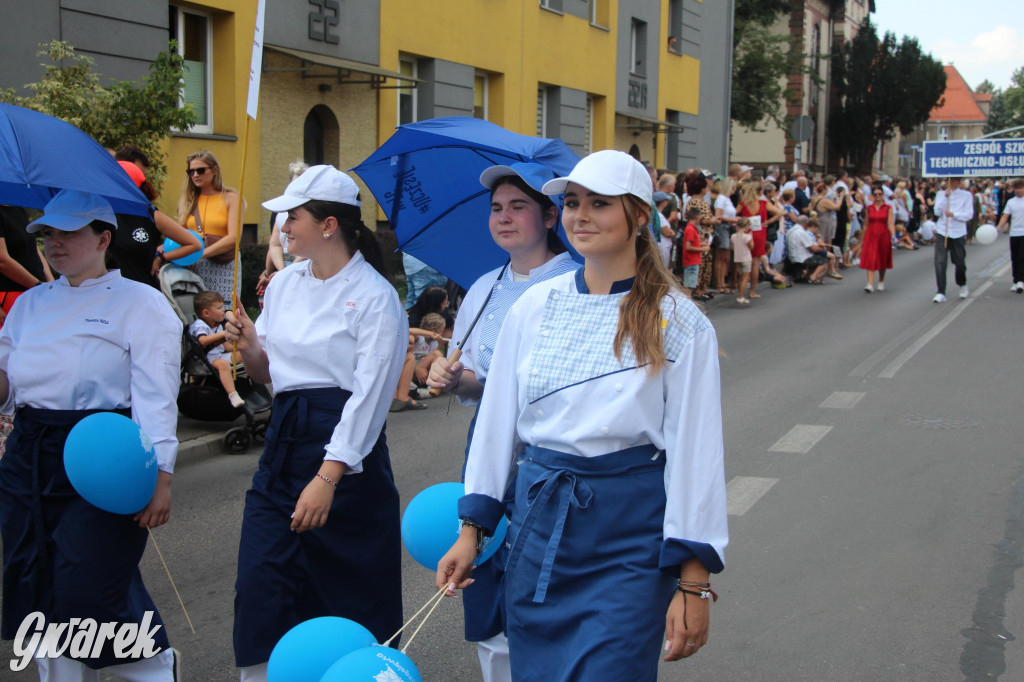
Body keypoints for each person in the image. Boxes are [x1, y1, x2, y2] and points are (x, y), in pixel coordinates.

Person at [436, 150, 727, 682]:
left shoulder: (679, 320)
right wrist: (471, 528)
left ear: (639, 215)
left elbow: (695, 455)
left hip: (628, 543)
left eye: (599, 203)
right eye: (571, 203)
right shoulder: (534, 307)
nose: (580, 216)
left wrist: (694, 580)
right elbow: (498, 427)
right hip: (538, 531)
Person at [224, 166, 408, 682]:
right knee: (261, 585)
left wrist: (328, 476)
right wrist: (251, 346)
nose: (283, 225)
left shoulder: (376, 296)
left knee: (348, 592)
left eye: (293, 216)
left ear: (329, 225)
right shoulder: (282, 285)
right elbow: (271, 378)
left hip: (347, 453)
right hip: (283, 443)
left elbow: (369, 398)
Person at [0, 190, 181, 680]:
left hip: (104, 459)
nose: (53, 243)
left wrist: (160, 475)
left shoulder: (141, 304)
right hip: (29, 456)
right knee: (37, 583)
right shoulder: (29, 304)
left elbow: (155, 396)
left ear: (103, 238)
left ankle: (153, 664)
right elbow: (10, 391)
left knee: (87, 585)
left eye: (67, 233)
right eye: (46, 234)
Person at [427, 162, 579, 682]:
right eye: (496, 209)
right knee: (488, 579)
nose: (504, 218)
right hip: (489, 450)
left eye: (519, 206)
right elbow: (477, 387)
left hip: (550, 456)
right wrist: (453, 378)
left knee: (547, 589)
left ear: (551, 215)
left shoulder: (578, 285)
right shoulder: (482, 288)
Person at [111, 160, 203, 288]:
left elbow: (194, 244)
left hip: (142, 292)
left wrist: (161, 258)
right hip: (108, 294)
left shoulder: (151, 215)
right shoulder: (99, 214)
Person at [178, 149, 243, 304]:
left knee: (223, 311)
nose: (195, 175)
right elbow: (180, 234)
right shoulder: (187, 201)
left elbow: (233, 238)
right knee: (196, 314)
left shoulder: (231, 198)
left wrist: (202, 254)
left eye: (200, 170)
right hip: (194, 265)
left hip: (223, 263)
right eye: (191, 171)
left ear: (215, 170)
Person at [190, 290, 246, 408]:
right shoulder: (200, 325)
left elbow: (226, 347)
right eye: (219, 308)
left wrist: (240, 347)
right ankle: (233, 395)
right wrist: (224, 334)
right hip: (205, 359)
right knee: (223, 365)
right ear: (206, 313)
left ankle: (251, 386)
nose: (223, 310)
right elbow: (203, 341)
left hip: (218, 356)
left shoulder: (217, 325)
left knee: (245, 354)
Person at [932, 177, 974, 302]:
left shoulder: (966, 195)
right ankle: (941, 291)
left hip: (957, 232)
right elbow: (937, 212)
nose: (952, 182)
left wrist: (955, 215)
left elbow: (969, 214)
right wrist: (945, 197)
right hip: (942, 231)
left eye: (955, 180)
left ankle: (962, 284)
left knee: (959, 261)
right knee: (940, 262)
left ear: (959, 181)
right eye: (950, 180)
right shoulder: (940, 194)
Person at [859, 185, 896, 293]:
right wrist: (863, 236)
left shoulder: (888, 208)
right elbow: (866, 223)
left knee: (882, 257)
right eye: (875, 194)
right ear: (872, 196)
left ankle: (881, 281)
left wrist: (893, 235)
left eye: (879, 194)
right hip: (871, 234)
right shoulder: (869, 208)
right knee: (871, 257)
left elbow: (890, 223)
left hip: (883, 234)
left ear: (883, 195)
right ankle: (870, 284)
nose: (877, 196)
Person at [996, 178, 1024, 292]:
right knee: (1015, 257)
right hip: (1014, 233)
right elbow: (1005, 216)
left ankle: (1020, 281)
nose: (1018, 190)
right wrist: (998, 228)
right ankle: (1016, 280)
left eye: (1020, 188)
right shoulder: (1011, 202)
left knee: (1022, 257)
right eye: (1016, 188)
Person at [711, 178, 737, 294]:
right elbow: (718, 215)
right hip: (723, 228)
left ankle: (722, 282)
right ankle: (719, 283)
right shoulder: (722, 199)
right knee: (721, 256)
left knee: (725, 257)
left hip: (728, 228)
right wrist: (733, 219)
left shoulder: (727, 199)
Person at [786, 217, 829, 284]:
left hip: (791, 256)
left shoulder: (790, 230)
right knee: (824, 260)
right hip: (800, 258)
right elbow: (813, 249)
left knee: (814, 257)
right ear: (806, 223)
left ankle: (806, 275)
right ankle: (813, 277)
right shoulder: (801, 232)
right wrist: (822, 248)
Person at [680, 206, 706, 298]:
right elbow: (688, 247)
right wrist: (702, 249)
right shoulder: (691, 229)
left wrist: (700, 244)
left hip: (692, 261)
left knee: (691, 285)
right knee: (689, 287)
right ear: (697, 217)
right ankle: (687, 303)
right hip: (691, 261)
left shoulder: (690, 228)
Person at [732, 217, 754, 304]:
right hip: (746, 258)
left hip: (737, 258)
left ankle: (740, 295)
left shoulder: (733, 236)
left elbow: (732, 247)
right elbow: (752, 247)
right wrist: (751, 237)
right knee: (745, 278)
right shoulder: (747, 237)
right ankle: (740, 296)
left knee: (740, 277)